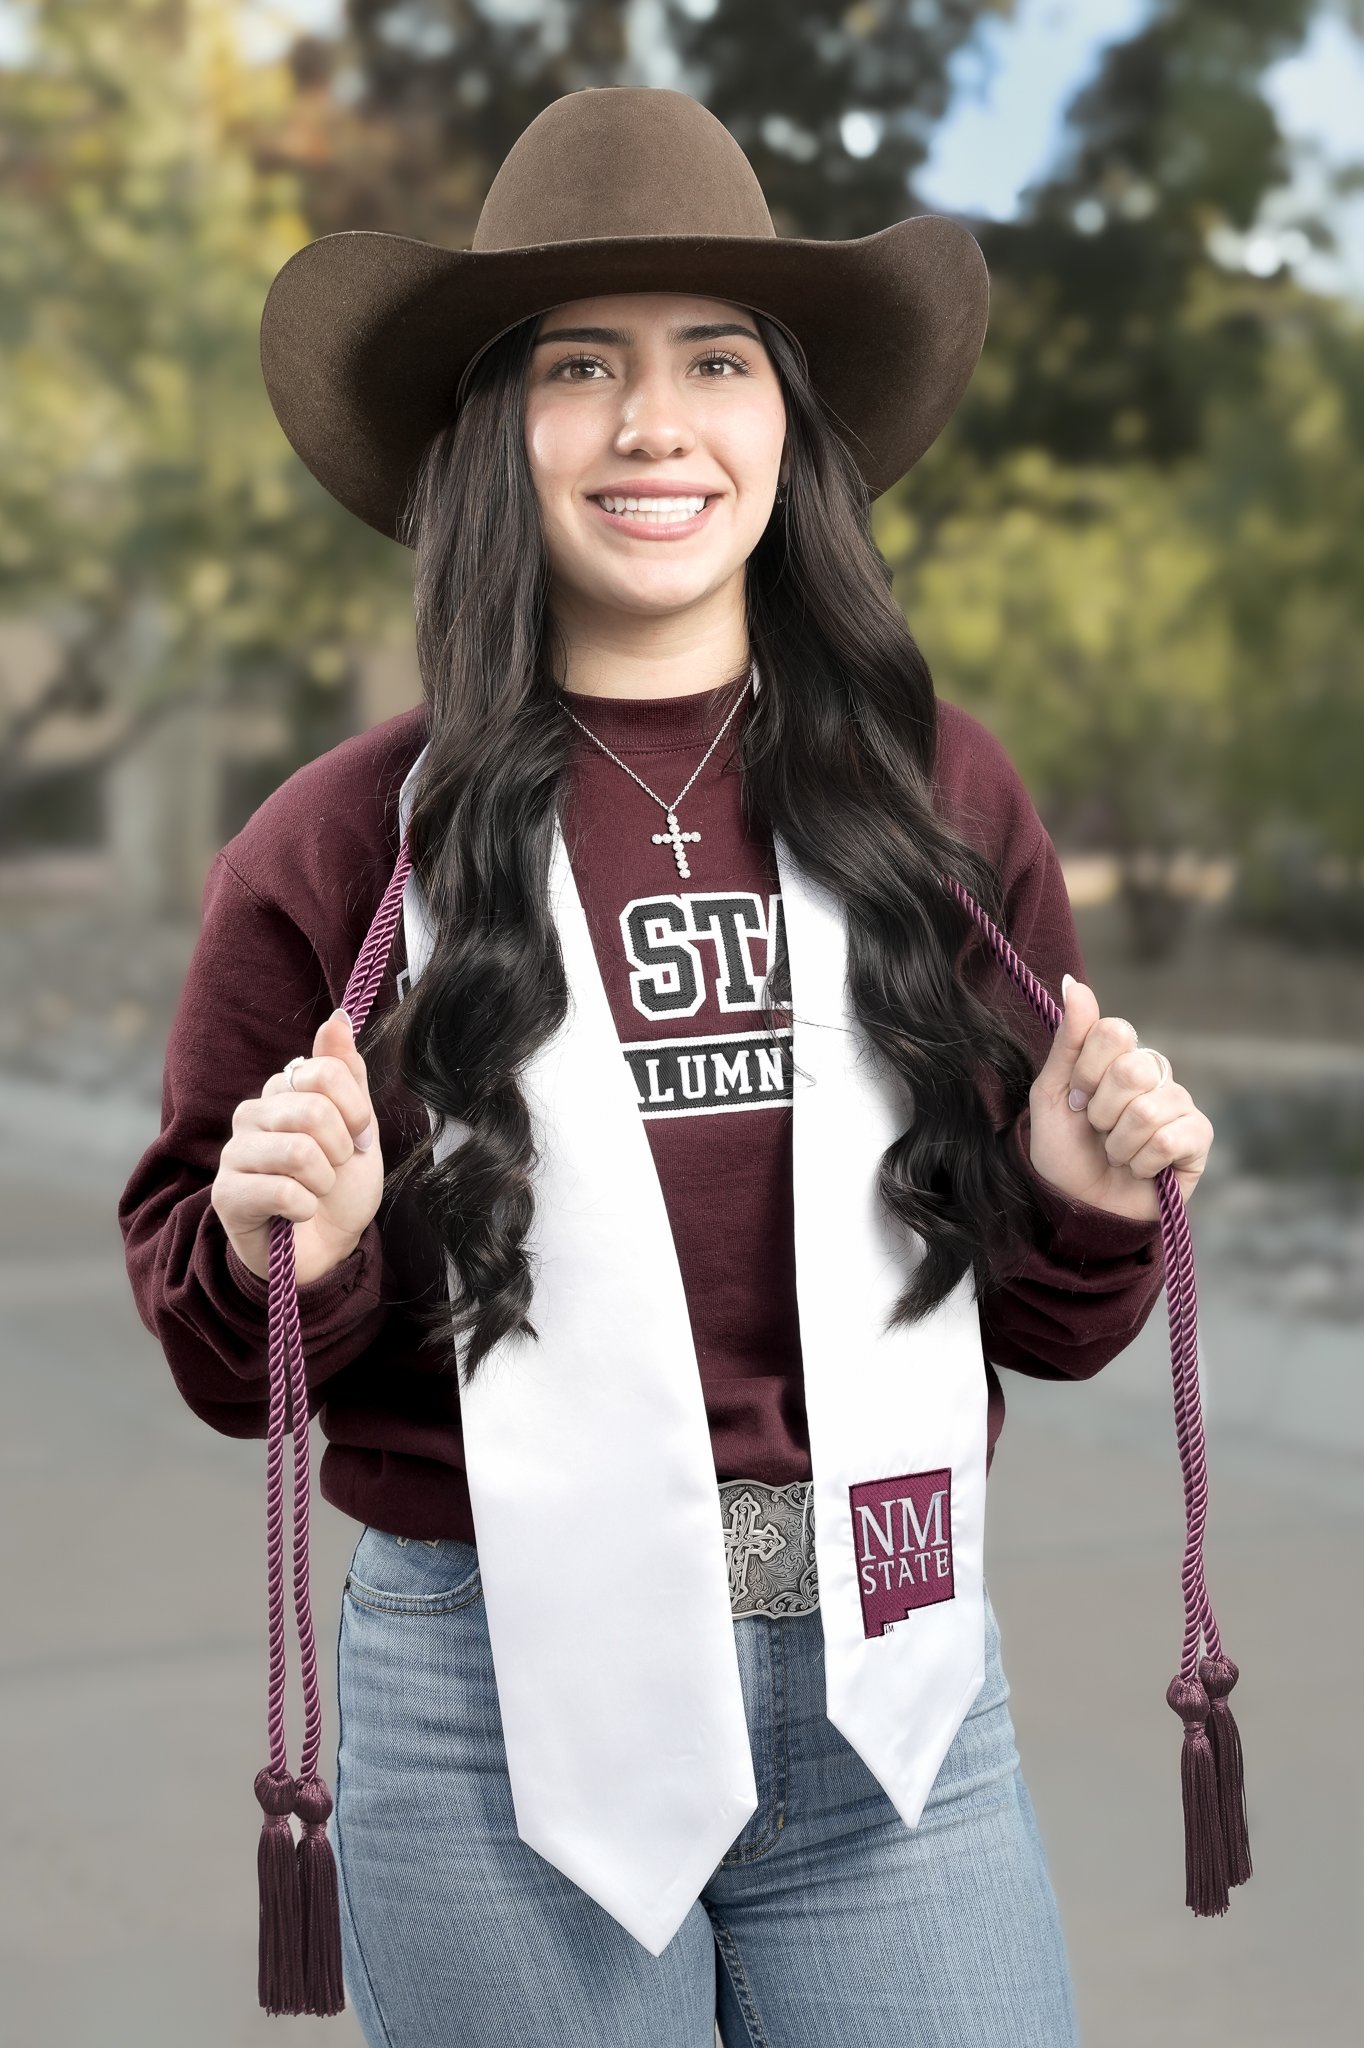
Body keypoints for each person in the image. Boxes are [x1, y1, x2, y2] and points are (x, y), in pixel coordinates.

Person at [119, 87, 1232, 2048]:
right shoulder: (341, 848)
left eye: (714, 359)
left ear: (786, 418)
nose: (654, 424)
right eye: (580, 367)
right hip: (494, 1697)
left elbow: (1052, 1333)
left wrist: (1067, 1189)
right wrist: (301, 1237)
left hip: (892, 1662)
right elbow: (235, 1355)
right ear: (488, 432)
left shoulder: (930, 799)